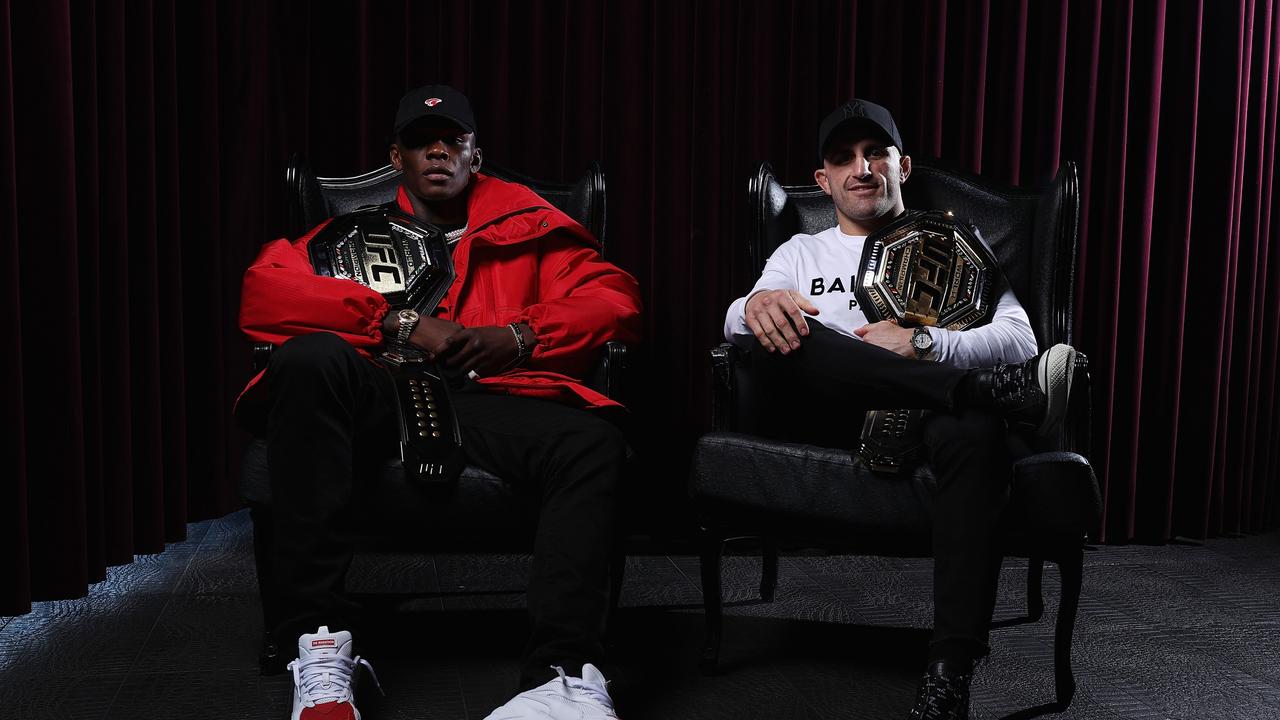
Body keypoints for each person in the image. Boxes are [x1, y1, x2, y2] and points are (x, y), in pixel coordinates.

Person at [237, 84, 641, 720]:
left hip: (485, 394)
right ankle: (319, 645)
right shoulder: (348, 234)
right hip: (375, 393)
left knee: (594, 442)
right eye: (422, 143)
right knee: (308, 358)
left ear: (473, 154)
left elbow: (614, 301)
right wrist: (395, 322)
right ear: (395, 157)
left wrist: (520, 334)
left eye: (453, 140)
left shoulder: (529, 224)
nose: (438, 153)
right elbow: (265, 292)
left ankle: (563, 678)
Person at [723, 98, 1079, 720]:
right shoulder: (802, 254)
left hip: (931, 421)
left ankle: (949, 669)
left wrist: (922, 342)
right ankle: (970, 391)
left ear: (902, 166)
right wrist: (751, 309)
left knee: (972, 432)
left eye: (875, 154)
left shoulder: (956, 241)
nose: (861, 168)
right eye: (843, 159)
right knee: (796, 339)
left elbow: (1022, 340)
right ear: (824, 180)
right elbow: (739, 322)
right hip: (833, 411)